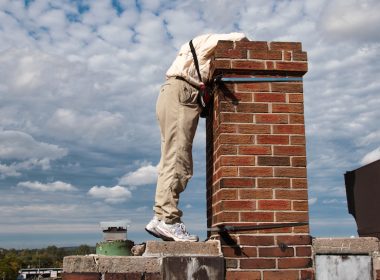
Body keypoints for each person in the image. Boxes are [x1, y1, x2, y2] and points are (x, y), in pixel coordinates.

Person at [145, 33, 246, 242]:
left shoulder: (194, 52)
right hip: (183, 92)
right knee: (178, 159)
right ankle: (168, 220)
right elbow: (240, 37)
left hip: (173, 94)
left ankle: (161, 217)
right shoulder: (208, 41)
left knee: (170, 158)